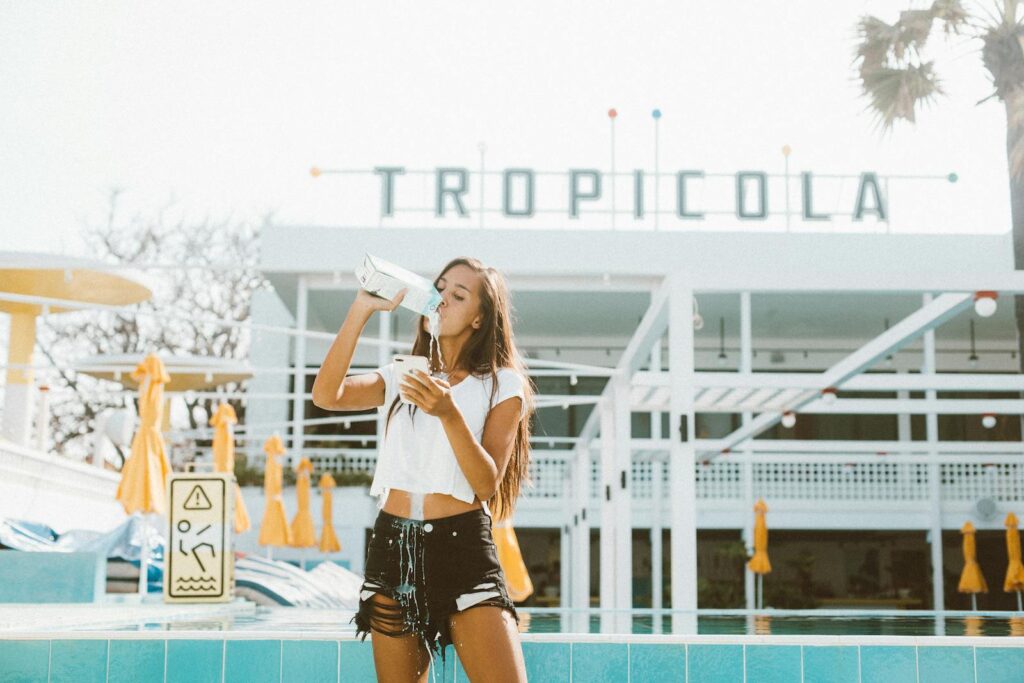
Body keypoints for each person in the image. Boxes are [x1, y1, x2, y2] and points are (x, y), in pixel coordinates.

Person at [312, 257, 534, 682]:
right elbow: (327, 395)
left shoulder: (502, 383)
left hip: (462, 547)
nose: (443, 299)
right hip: (393, 546)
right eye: (440, 289)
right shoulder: (404, 376)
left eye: (459, 295)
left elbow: (485, 483)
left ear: (479, 318)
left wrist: (447, 413)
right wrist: (360, 309)